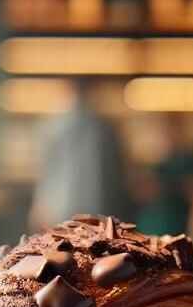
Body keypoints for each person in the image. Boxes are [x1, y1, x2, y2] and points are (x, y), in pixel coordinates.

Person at [29, 78, 133, 228]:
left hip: (61, 206)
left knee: (63, 247)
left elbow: (47, 171)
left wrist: (40, 205)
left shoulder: (53, 126)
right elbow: (119, 171)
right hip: (100, 204)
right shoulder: (106, 127)